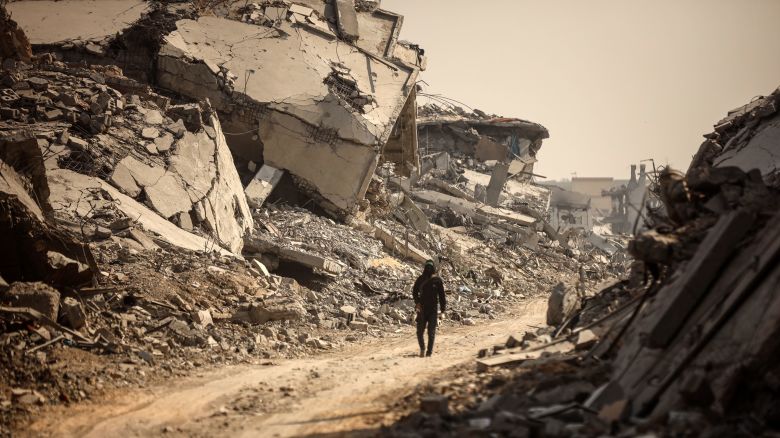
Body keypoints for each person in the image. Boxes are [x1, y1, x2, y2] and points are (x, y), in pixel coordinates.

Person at [412, 259, 446, 357]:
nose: (429, 269)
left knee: (431, 332)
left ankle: (429, 352)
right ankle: (422, 348)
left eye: (430, 267)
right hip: (422, 310)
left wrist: (443, 310)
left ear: (433, 268)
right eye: (427, 267)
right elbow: (414, 292)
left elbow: (442, 296)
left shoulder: (437, 280)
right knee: (419, 332)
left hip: (433, 310)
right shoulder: (420, 279)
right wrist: (417, 302)